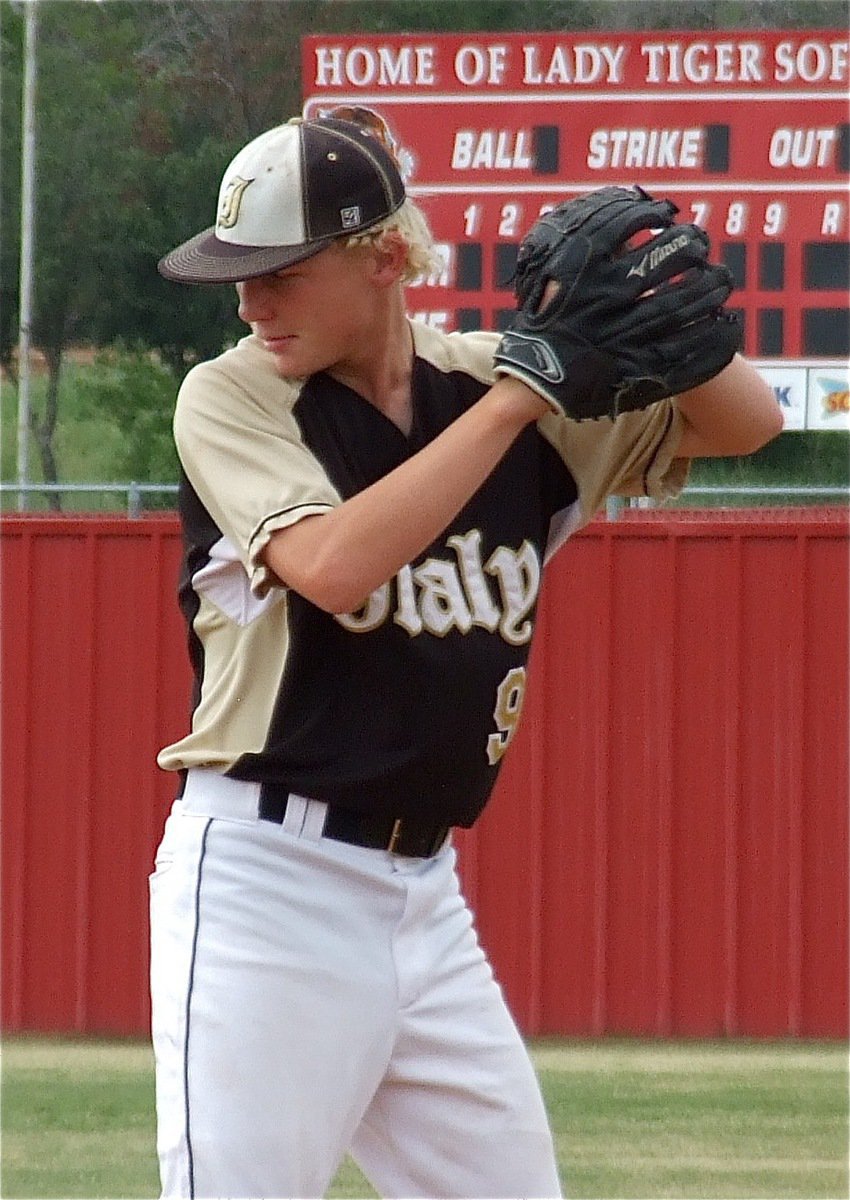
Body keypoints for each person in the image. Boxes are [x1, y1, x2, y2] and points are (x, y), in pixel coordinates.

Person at [152, 112, 782, 1199]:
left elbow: (746, 423)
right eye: (237, 278)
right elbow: (335, 564)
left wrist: (667, 318)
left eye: (279, 274)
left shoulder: (495, 385)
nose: (248, 304)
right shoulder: (236, 392)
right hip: (267, 882)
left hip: (425, 894)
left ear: (384, 258)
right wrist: (523, 393)